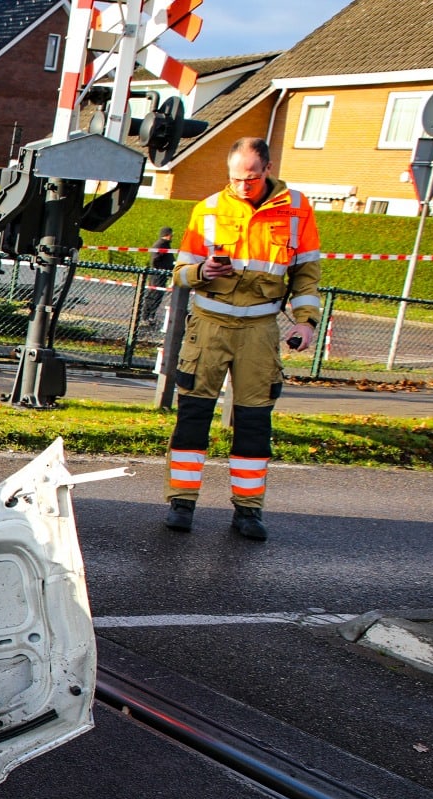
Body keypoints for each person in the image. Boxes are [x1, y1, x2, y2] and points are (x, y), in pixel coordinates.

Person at [162, 137, 320, 541]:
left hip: (260, 331)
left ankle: (248, 512)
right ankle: (182, 503)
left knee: (254, 421)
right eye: (235, 178)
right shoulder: (210, 208)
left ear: (267, 169)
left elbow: (306, 277)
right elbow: (180, 272)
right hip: (209, 327)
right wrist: (202, 274)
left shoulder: (298, 209)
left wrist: (306, 322)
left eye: (249, 179)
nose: (242, 186)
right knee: (193, 415)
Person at [141, 226, 174, 325]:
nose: (172, 237)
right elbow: (155, 259)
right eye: (171, 234)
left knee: (158, 295)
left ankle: (150, 316)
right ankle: (146, 317)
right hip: (158, 274)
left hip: (161, 274)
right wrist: (159, 269)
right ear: (167, 235)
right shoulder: (161, 244)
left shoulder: (165, 244)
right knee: (154, 295)